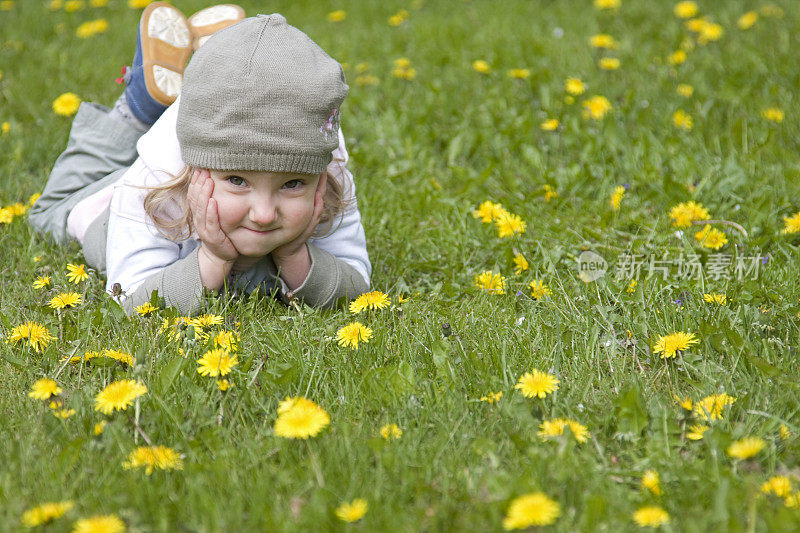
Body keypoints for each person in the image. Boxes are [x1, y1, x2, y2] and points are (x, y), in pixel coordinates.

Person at [29, 3, 371, 315]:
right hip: (108, 204)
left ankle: (218, 68)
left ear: (319, 175)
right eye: (237, 181)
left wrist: (295, 255)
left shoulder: (327, 172)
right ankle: (134, 112)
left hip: (210, 133)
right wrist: (212, 258)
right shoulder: (151, 191)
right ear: (195, 169)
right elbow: (131, 302)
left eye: (292, 184)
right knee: (53, 210)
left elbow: (357, 286)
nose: (265, 215)